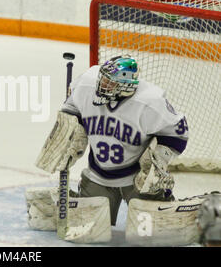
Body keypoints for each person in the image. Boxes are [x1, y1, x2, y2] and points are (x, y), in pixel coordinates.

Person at [37, 55, 189, 226]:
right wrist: (71, 132)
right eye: (103, 79)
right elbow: (72, 108)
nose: (102, 85)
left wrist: (157, 161)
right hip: (98, 175)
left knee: (149, 231)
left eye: (109, 83)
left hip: (136, 180)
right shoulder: (87, 84)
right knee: (90, 228)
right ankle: (74, 199)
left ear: (126, 85)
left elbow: (178, 134)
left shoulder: (149, 103)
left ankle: (164, 202)